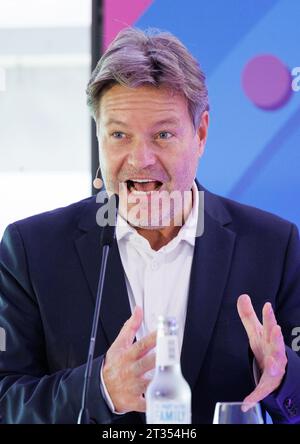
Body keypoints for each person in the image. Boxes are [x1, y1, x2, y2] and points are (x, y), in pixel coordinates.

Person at [0, 27, 300, 425]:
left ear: (202, 133)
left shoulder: (274, 246)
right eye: (119, 135)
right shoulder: (31, 249)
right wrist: (100, 390)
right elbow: (6, 399)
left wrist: (283, 379)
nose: (140, 159)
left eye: (162, 134)